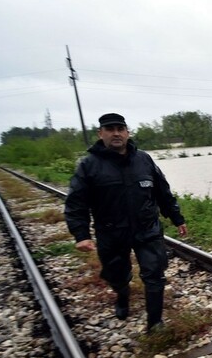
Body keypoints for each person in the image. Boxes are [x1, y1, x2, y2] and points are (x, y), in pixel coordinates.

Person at [64, 113, 188, 333]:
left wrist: (177, 218)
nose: (116, 133)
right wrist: (81, 235)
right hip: (111, 233)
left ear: (127, 132)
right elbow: (76, 203)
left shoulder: (144, 159)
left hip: (147, 229)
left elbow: (162, 192)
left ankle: (155, 322)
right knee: (116, 275)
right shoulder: (89, 165)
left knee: (155, 274)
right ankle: (122, 295)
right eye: (110, 129)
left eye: (120, 129)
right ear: (100, 133)